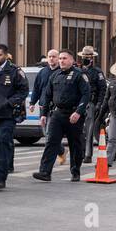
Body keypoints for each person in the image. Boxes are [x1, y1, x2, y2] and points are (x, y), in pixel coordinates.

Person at [32, 50, 90, 182]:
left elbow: (86, 95)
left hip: (74, 114)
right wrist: (43, 114)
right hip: (57, 114)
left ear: (72, 60)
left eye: (64, 58)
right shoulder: (55, 75)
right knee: (51, 142)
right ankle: (45, 172)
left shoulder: (79, 75)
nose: (61, 61)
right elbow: (47, 96)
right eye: (61, 58)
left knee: (75, 144)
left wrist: (78, 112)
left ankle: (75, 171)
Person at [0, 42, 28, 190]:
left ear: (6, 55)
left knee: (2, 142)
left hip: (8, 116)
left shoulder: (15, 71)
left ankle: (0, 178)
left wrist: (9, 103)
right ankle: (0, 167)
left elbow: (23, 91)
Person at [79, 46, 107, 153]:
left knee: (89, 129)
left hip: (91, 102)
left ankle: (87, 153)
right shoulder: (78, 70)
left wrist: (99, 104)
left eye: (88, 56)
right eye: (84, 56)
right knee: (78, 129)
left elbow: (103, 89)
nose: (85, 58)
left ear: (92, 58)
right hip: (78, 102)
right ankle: (79, 151)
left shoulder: (97, 72)